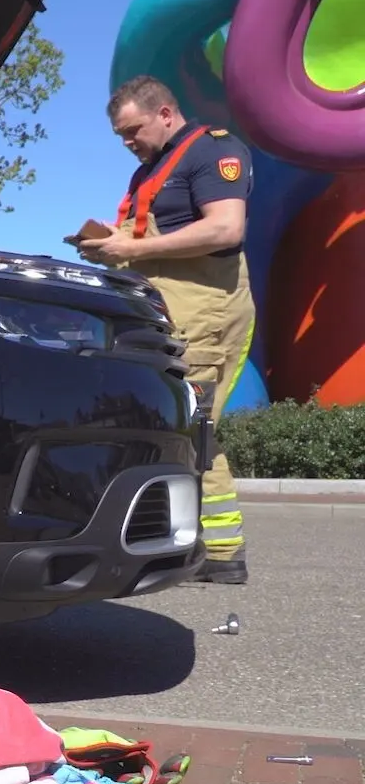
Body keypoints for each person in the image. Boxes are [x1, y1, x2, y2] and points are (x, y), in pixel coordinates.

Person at [77, 75, 254, 584]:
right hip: (166, 315)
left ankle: (222, 554)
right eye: (120, 136)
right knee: (171, 427)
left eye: (133, 131)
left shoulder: (212, 153)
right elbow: (148, 237)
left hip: (206, 312)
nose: (127, 142)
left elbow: (225, 228)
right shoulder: (151, 172)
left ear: (166, 114)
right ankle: (189, 542)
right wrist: (106, 242)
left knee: (193, 431)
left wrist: (128, 250)